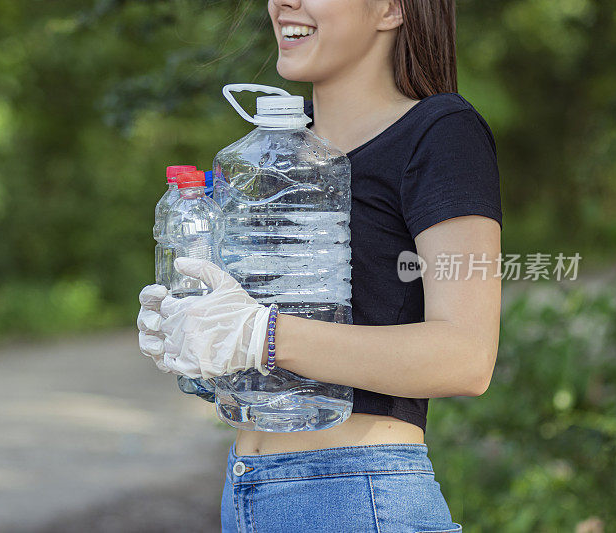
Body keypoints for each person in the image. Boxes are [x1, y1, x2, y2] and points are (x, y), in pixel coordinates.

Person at [137, 0, 502, 531]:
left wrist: (261, 333)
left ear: (391, 10)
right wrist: (192, 331)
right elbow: (252, 340)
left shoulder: (441, 132)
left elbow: (466, 357)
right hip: (247, 489)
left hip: (356, 496)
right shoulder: (272, 154)